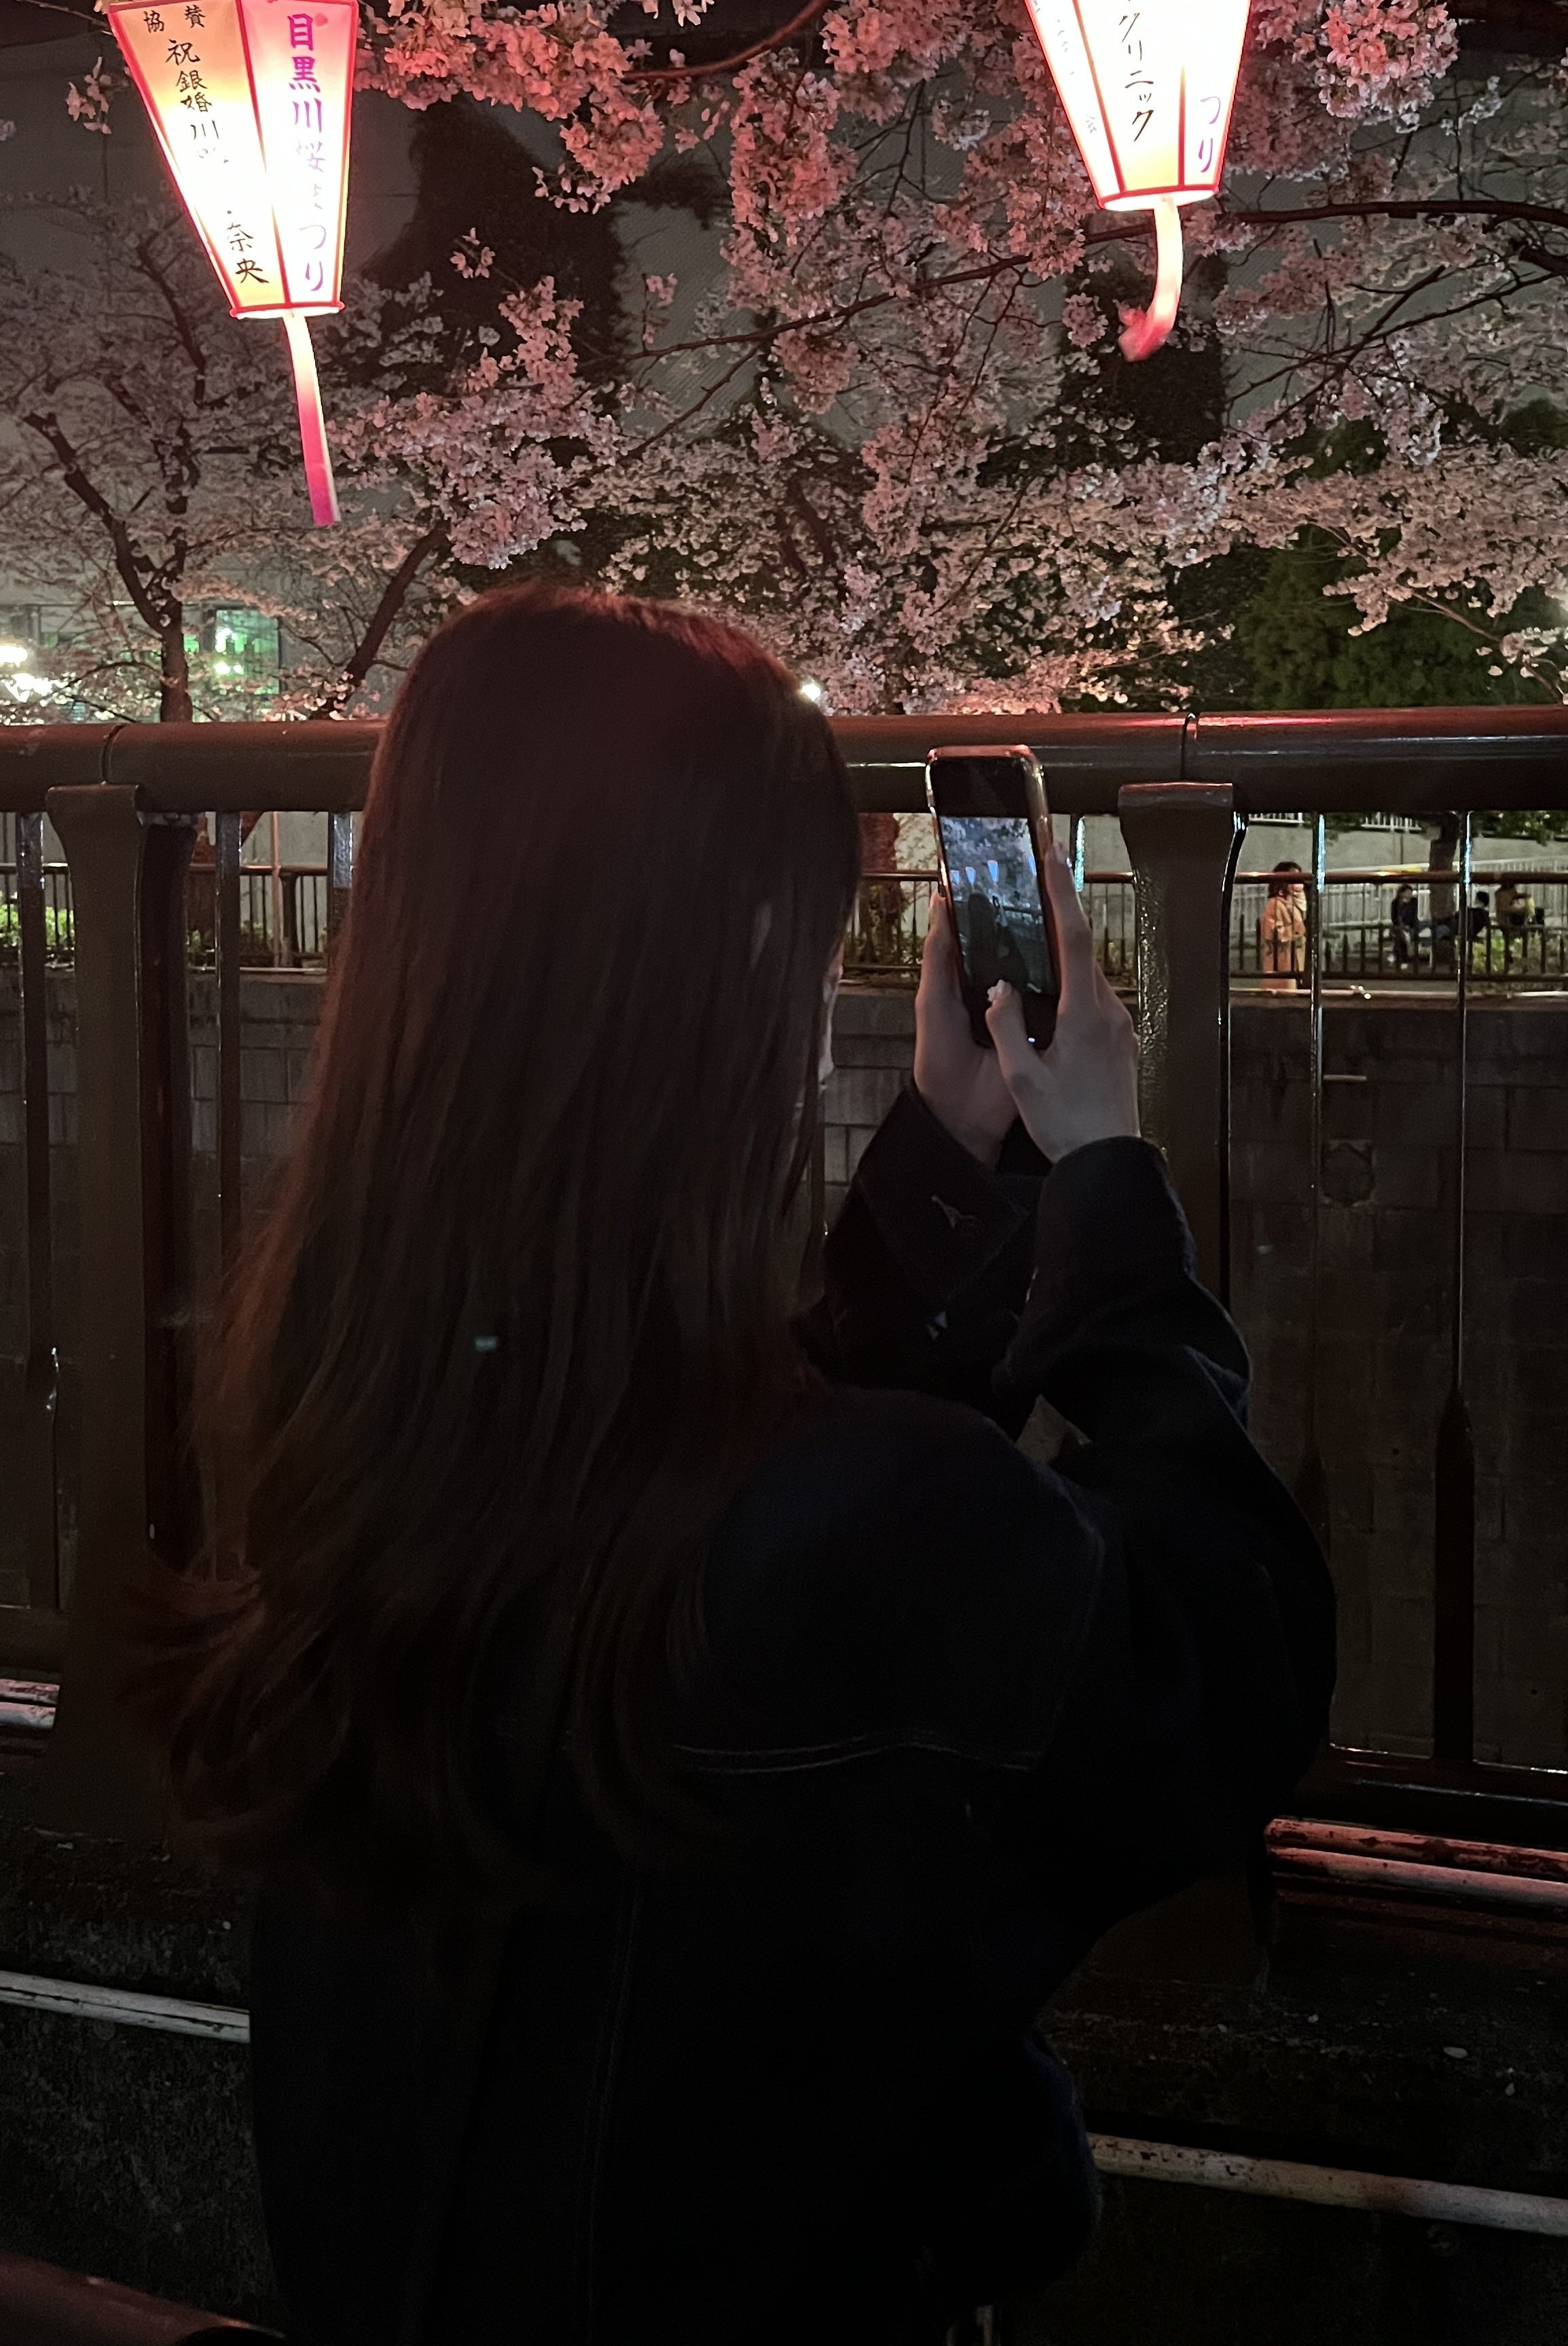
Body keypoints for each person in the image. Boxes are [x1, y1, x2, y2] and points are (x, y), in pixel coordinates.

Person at [141, 584, 1334, 2346]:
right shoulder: (880, 1529)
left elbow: (716, 1488)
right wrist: (1104, 1185)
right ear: (732, 988)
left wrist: (946, 1164)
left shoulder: (367, 1443)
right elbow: (1227, 1663)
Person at [1257, 859, 1308, 982]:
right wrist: (1295, 931)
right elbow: (1271, 932)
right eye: (1292, 879)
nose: (1297, 884)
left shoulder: (1300, 902)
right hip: (1282, 959)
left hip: (1298, 957)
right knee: (1285, 985)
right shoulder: (1275, 904)